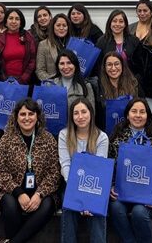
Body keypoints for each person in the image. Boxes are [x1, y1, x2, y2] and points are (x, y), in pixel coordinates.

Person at [0, 98, 60, 243]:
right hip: (12, 192)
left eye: (31, 114)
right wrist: (18, 192)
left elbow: (54, 173)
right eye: (23, 114)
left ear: (37, 116)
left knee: (48, 205)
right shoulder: (6, 140)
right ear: (16, 117)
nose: (27, 118)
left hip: (40, 193)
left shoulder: (48, 139)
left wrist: (39, 194)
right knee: (10, 205)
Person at [108, 98, 152, 243]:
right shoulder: (117, 136)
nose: (138, 115)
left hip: (151, 193)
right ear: (127, 115)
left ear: (148, 115)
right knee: (115, 207)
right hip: (123, 192)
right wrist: (111, 186)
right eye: (134, 111)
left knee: (139, 212)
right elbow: (110, 163)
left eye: (142, 112)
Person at [58, 99, 109, 243]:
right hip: (70, 185)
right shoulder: (64, 135)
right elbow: (65, 165)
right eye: (76, 113)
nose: (80, 116)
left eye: (84, 112)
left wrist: (88, 199)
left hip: (94, 186)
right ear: (71, 116)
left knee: (97, 211)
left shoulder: (101, 137)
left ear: (91, 113)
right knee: (69, 207)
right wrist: (77, 194)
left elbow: (98, 169)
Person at [94, 52, 142, 129]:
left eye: (116, 64)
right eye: (109, 65)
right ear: (104, 67)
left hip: (129, 129)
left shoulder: (133, 84)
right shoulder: (98, 87)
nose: (113, 68)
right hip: (105, 130)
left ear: (122, 65)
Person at [0, 8, 37, 85]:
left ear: (21, 22)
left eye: (17, 19)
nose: (14, 21)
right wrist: (5, 80)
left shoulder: (28, 37)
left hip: (25, 82)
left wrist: (23, 79)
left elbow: (32, 60)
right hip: (4, 82)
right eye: (11, 18)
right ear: (6, 22)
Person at [36, 14, 71, 81]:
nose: (61, 28)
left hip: (73, 84)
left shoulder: (75, 44)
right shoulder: (43, 44)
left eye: (64, 25)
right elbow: (40, 71)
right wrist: (54, 82)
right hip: (52, 83)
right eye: (58, 25)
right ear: (53, 27)